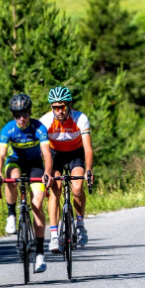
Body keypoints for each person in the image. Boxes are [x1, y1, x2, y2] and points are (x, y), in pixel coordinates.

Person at [0, 93, 54, 274]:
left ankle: (40, 254)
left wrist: (48, 174)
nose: (21, 118)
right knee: (11, 177)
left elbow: (47, 154)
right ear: (13, 115)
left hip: (35, 164)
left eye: (25, 114)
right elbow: (1, 156)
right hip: (16, 161)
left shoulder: (39, 127)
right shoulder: (8, 130)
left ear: (29, 112)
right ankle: (11, 215)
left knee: (37, 204)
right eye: (17, 114)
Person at [42, 86, 94, 252]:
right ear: (51, 108)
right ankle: (54, 236)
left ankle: (80, 225)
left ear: (69, 105)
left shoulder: (80, 118)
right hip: (55, 155)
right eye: (55, 107)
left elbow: (88, 148)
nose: (59, 111)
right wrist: (45, 173)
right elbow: (41, 151)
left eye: (62, 106)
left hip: (75, 153)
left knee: (77, 188)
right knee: (55, 189)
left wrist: (89, 170)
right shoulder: (45, 122)